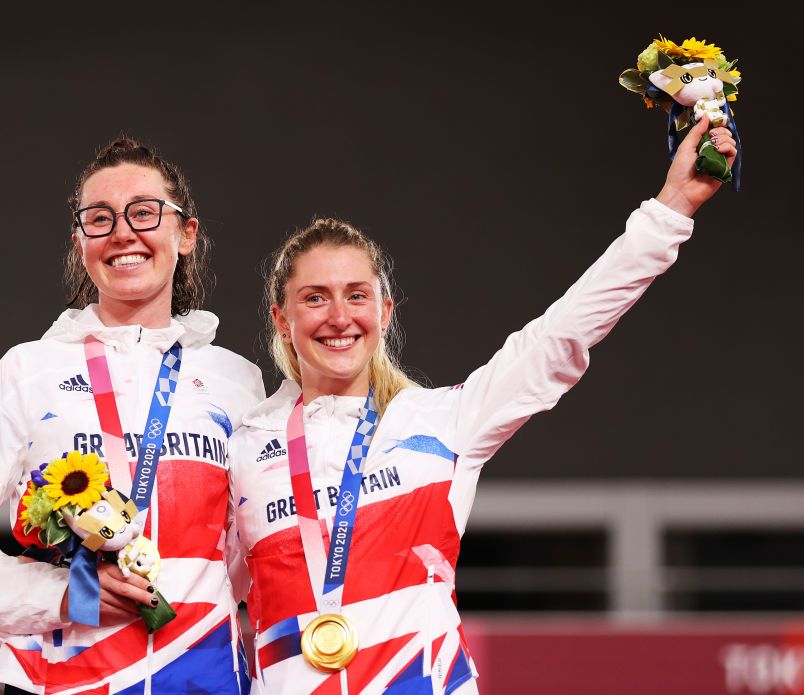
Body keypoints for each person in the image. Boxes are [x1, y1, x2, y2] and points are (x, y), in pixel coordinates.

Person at [228, 116, 737, 693]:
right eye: (314, 299)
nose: (339, 318)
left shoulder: (443, 421)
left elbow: (559, 336)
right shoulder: (243, 450)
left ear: (386, 311)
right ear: (282, 320)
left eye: (356, 296)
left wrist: (670, 209)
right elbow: (199, 593)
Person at [0, 138, 265, 695]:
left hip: (202, 677)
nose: (123, 232)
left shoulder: (236, 380)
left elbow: (255, 556)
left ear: (187, 234)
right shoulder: (28, 369)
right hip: (55, 680)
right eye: (99, 219)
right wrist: (64, 594)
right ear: (81, 243)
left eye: (144, 212)